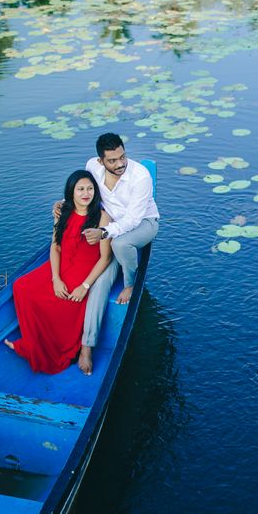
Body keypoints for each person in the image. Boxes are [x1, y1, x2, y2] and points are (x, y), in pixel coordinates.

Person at [55, 132, 159, 375]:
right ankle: (87, 347)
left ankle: (131, 284)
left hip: (144, 223)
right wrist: (63, 202)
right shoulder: (92, 166)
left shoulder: (140, 176)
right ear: (101, 161)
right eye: (113, 160)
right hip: (109, 227)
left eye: (123, 156)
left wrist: (103, 232)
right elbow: (84, 190)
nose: (120, 163)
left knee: (121, 244)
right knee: (99, 285)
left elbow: (133, 220)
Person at [5, 170, 112, 374]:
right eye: (80, 189)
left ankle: (56, 348)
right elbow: (55, 247)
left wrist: (85, 286)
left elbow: (105, 258)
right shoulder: (62, 212)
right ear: (71, 191)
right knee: (21, 287)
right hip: (59, 265)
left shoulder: (102, 218)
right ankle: (32, 342)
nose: (85, 193)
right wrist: (55, 278)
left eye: (90, 188)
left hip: (83, 270)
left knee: (63, 302)